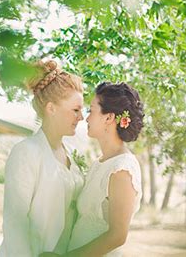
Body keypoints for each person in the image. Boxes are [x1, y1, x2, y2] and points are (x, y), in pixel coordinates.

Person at [41, 82, 144, 257]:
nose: (85, 118)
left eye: (91, 111)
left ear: (108, 118)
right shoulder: (100, 163)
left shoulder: (122, 170)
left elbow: (117, 236)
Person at [0, 60, 85, 257]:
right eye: (75, 110)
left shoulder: (72, 154)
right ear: (51, 108)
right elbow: (14, 224)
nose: (81, 117)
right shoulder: (26, 153)